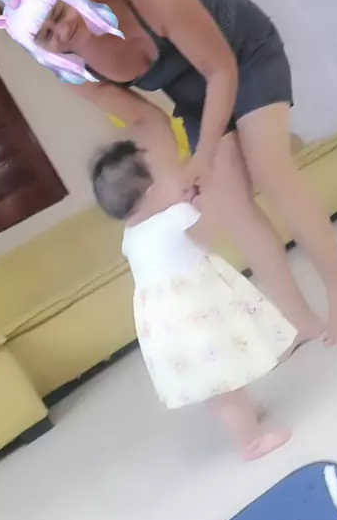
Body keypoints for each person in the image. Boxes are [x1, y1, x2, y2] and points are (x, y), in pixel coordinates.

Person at [0, 0, 337, 345]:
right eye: (45, 36)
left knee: (269, 167)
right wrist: (172, 184)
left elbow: (220, 70)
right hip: (193, 93)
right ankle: (300, 322)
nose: (61, 34)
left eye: (58, 14)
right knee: (232, 204)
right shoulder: (71, 68)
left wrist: (205, 157)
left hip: (241, 53)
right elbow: (146, 120)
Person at [91, 139, 296, 459]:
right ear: (153, 192)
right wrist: (206, 199)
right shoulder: (176, 217)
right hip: (200, 314)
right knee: (228, 380)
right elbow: (209, 232)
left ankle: (240, 417)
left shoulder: (129, 238)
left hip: (167, 327)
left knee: (214, 382)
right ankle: (252, 442)